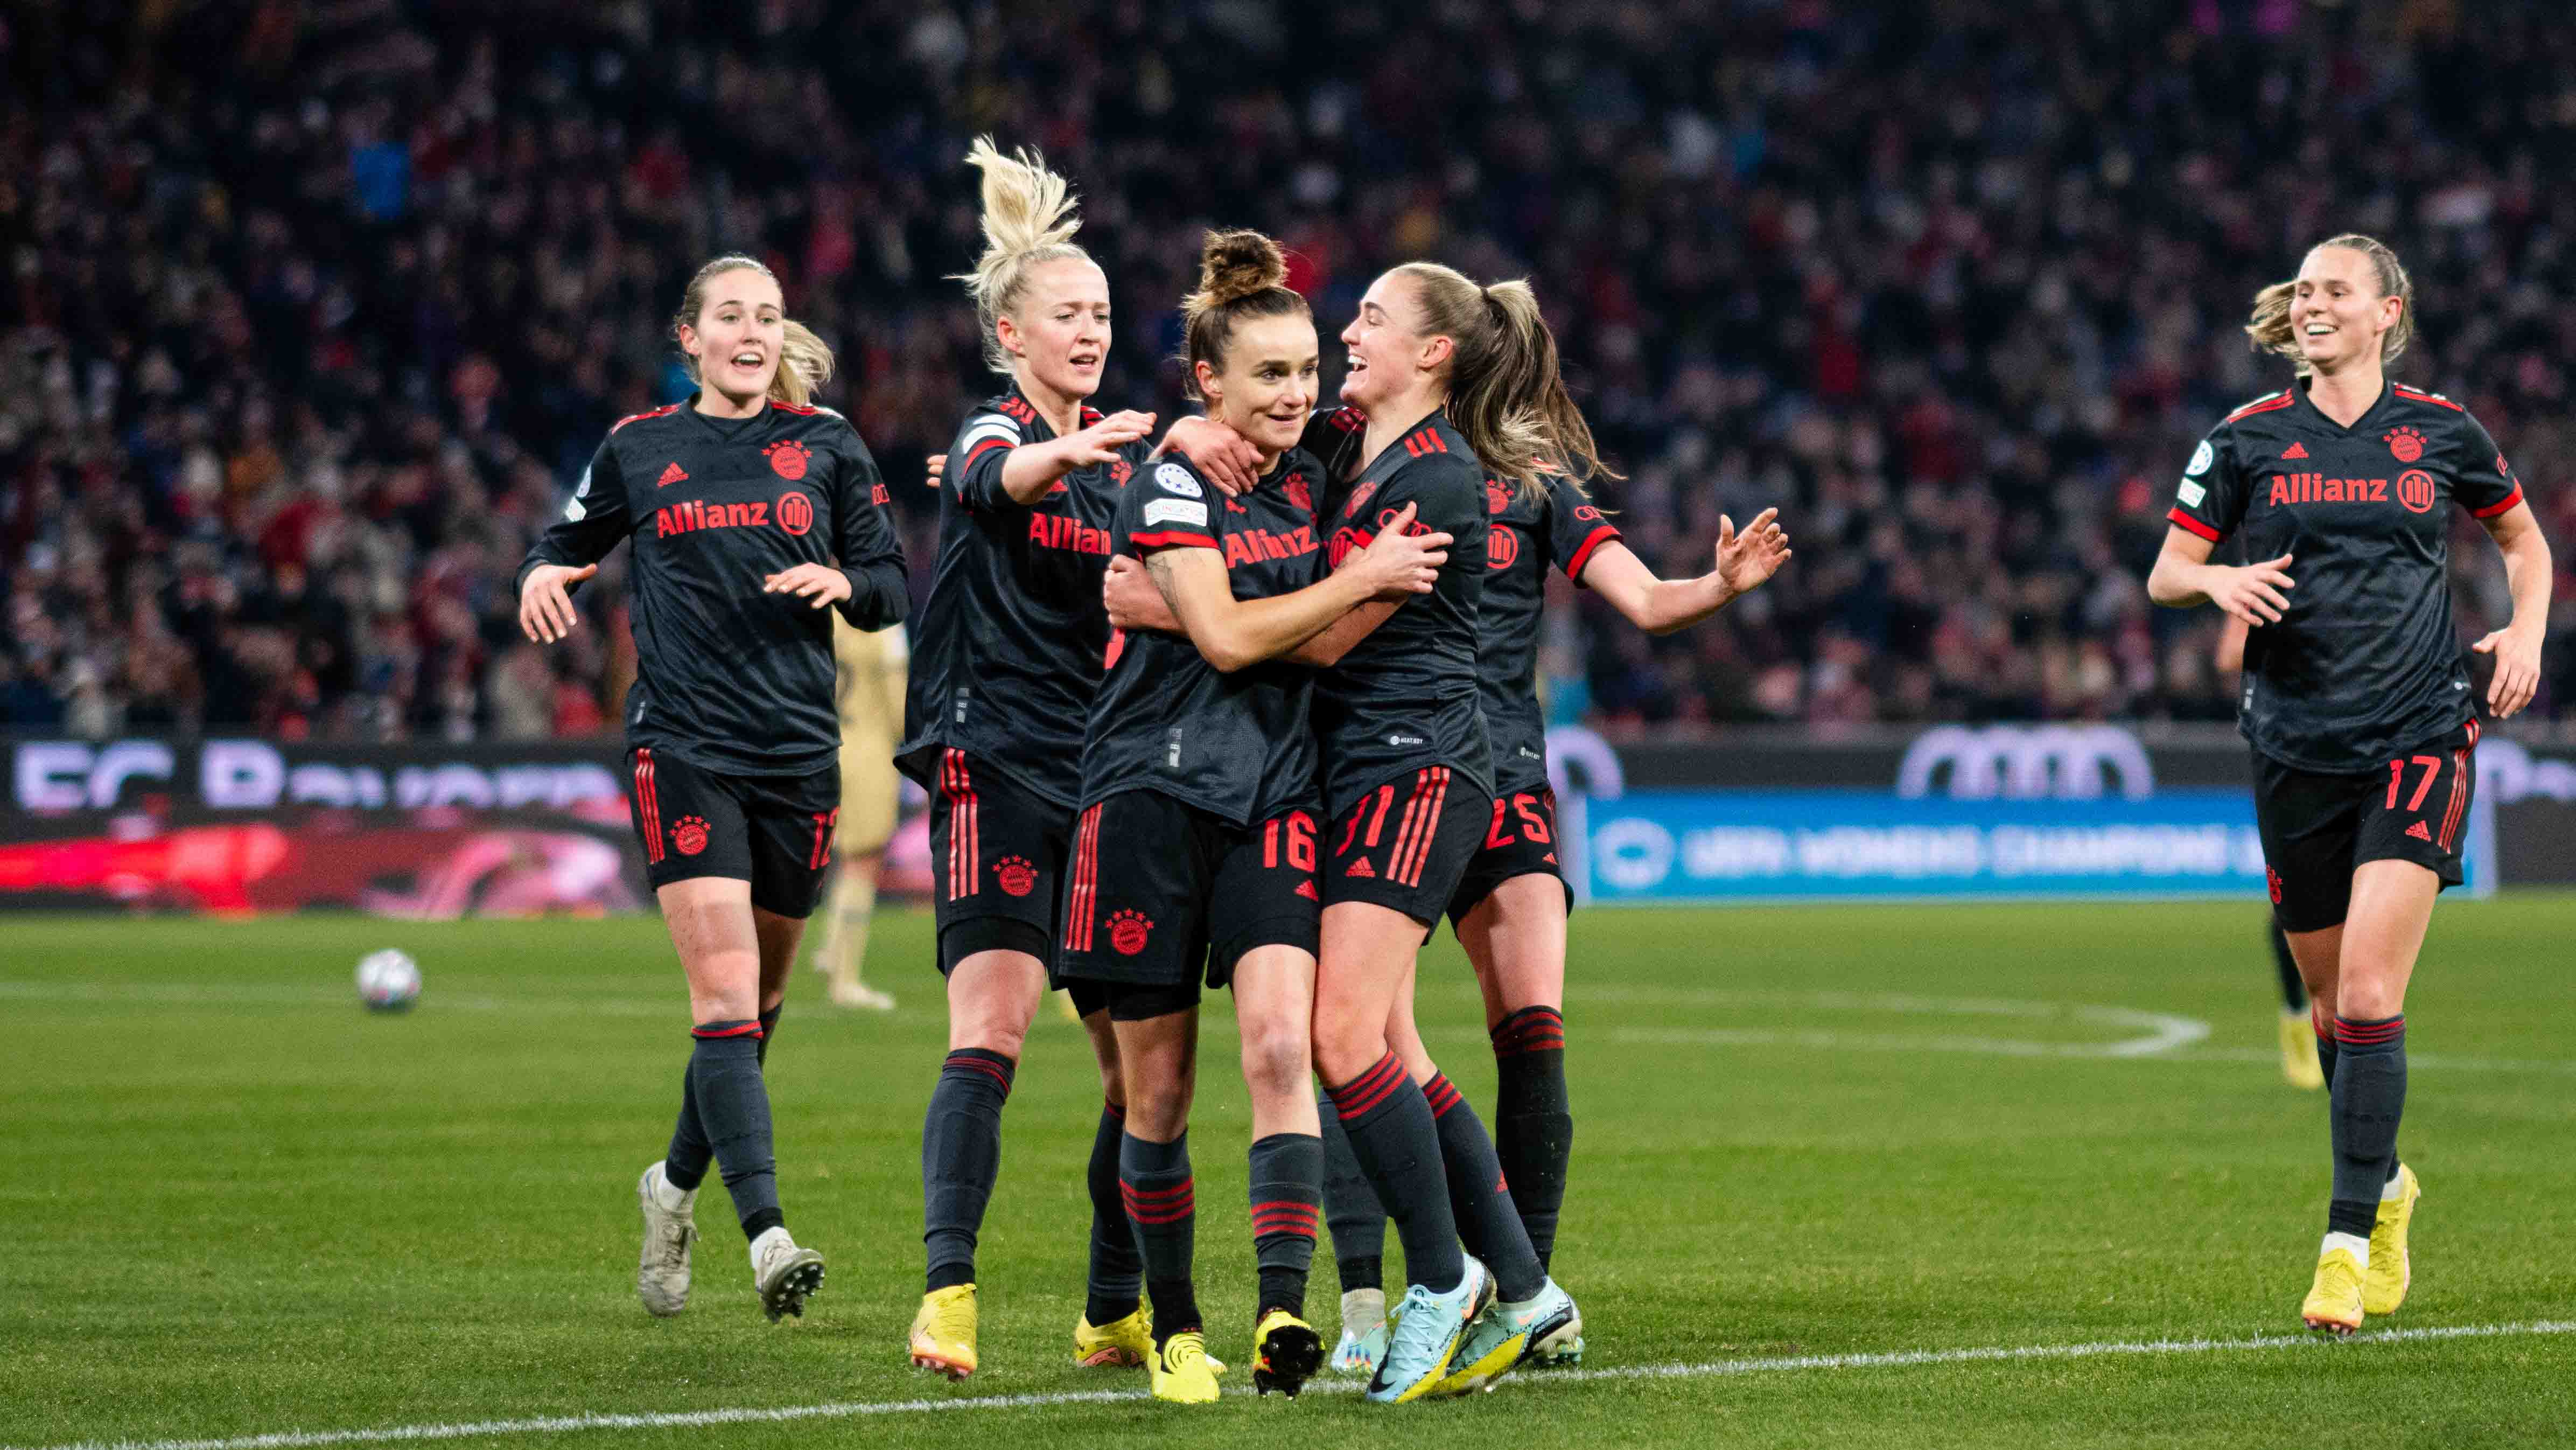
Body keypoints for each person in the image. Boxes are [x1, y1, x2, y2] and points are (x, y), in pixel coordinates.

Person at [1063, 230, 1452, 1404]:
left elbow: (1387, 430)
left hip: (1274, 794)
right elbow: (1231, 636)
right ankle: (1175, 1324)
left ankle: (1285, 1306)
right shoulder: (1174, 477)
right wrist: (1361, 577)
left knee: (1284, 1045)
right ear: (1208, 386)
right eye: (1268, 375)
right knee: (1159, 1090)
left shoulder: (1322, 458)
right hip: (1146, 791)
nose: (1297, 393)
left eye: (1303, 371)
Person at [2146, 233, 2549, 1336]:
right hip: (2292, 745)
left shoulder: (2442, 432)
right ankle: (2390, 1182)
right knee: (2330, 1007)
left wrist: (2525, 631)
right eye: (2306, 291)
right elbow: (2168, 568)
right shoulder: (2243, 441)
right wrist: (2217, 573)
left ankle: (2342, 1241)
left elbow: (2525, 542)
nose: (2314, 304)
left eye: (2336, 291)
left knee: (2371, 995)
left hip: (2422, 731)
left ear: (2386, 313)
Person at [516, 254, 908, 1323]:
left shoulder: (825, 445)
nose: (751, 330)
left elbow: (889, 581)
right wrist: (541, 573)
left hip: (797, 754)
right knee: (727, 995)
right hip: (683, 743)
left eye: (768, 315)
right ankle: (769, 1234)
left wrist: (845, 581)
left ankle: (671, 1187)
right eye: (730, 315)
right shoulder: (639, 447)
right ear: (688, 337)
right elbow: (563, 539)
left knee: (759, 1009)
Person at [897, 137, 1226, 1381]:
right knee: (992, 1022)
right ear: (1011, 331)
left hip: (1100, 775)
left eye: (1099, 311)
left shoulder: (1127, 471)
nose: (1090, 329)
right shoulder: (1002, 434)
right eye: (1066, 315)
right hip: (991, 757)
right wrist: (1065, 456)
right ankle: (948, 1290)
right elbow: (990, 478)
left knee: (1133, 1064)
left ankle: (1109, 1305)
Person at [2216, 614, 2327, 1091]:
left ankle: (2340, 1026)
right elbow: (2227, 658)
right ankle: (2298, 1016)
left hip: (2366, 746)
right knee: (2295, 899)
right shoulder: (2270, 578)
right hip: (2295, 754)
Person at [809, 615, 905, 1009]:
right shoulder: (884, 624)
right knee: (863, 861)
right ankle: (845, 981)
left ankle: (830, 952)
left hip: (820, 745)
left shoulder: (820, 613)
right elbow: (899, 705)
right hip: (867, 750)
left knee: (839, 856)